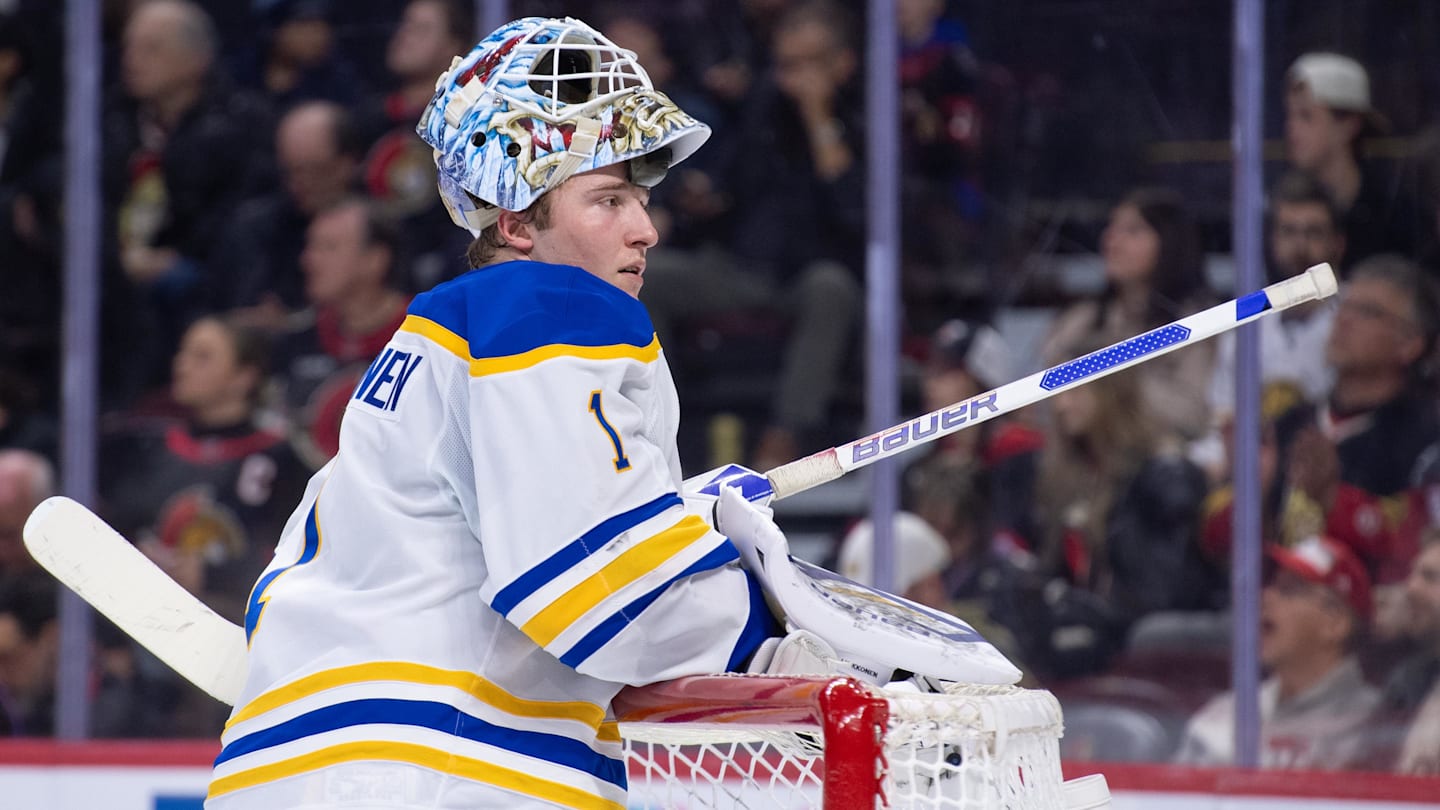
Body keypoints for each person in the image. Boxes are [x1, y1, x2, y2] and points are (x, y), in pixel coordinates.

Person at [205, 18, 781, 809]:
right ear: (514, 223)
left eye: (640, 199)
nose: (644, 228)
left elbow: (282, 601)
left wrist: (669, 524)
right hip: (444, 770)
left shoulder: (413, 368)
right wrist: (783, 623)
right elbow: (596, 589)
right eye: (607, 199)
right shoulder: (543, 304)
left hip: (276, 774)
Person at [1174, 535, 1380, 771]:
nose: (1265, 597)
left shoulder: (1372, 726)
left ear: (1336, 623)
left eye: (1289, 590)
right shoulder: (1228, 711)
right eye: (1269, 586)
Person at [1040, 187, 1216, 441]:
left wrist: (1118, 379)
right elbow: (1045, 397)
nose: (1111, 241)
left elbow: (1194, 416)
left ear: (1169, 241)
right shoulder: (1080, 320)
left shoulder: (1199, 323)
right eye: (1111, 228)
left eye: (1132, 231)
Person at [272, 196, 412, 466]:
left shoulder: (430, 336)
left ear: (375, 260)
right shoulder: (294, 342)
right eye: (310, 247)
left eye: (328, 247)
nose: (308, 260)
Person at [1284, 52, 1424, 272]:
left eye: (1306, 116)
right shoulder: (1283, 207)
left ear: (1349, 124)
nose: (1292, 129)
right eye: (1290, 116)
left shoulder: (1393, 215)